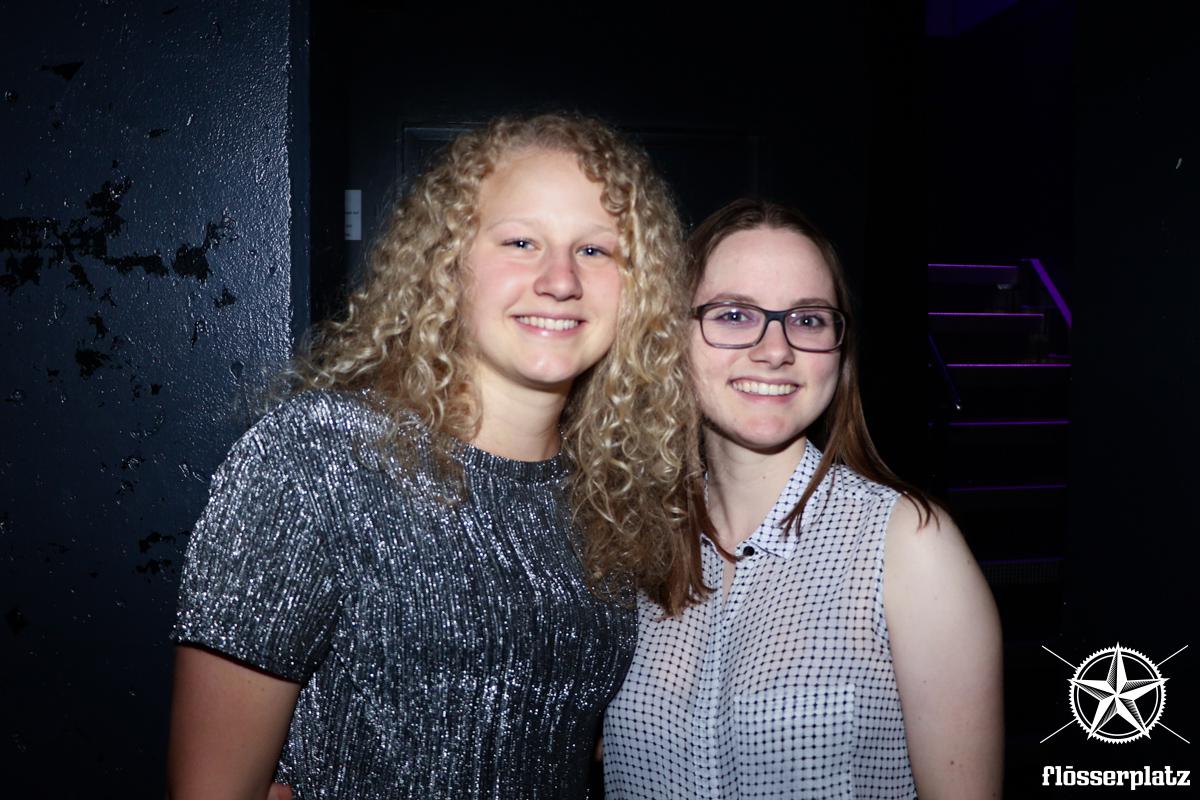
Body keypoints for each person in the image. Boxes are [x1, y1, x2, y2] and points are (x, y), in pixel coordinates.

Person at [166, 113, 695, 799]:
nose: (560, 279)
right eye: (521, 242)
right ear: (448, 260)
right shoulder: (319, 458)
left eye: (596, 250)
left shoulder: (613, 497)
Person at [603, 199, 1004, 799]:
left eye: (809, 319)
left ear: (840, 350)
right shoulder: (629, 542)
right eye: (734, 314)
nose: (775, 349)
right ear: (669, 337)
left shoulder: (907, 546)